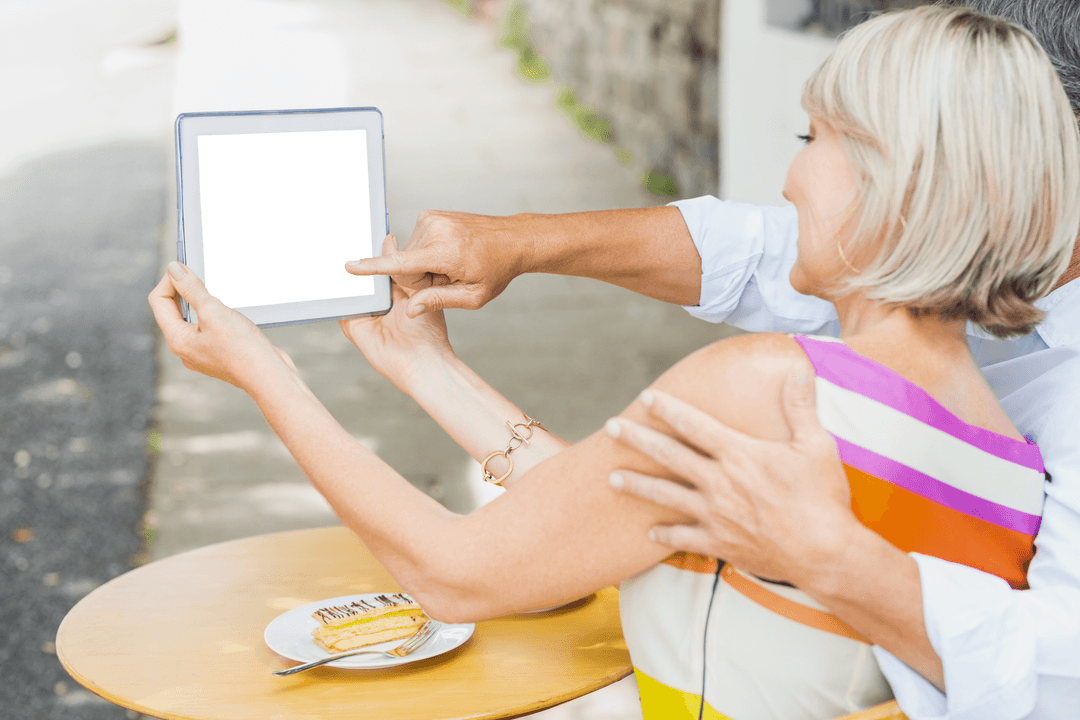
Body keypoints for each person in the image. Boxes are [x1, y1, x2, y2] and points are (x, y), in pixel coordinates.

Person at [150, 6, 1079, 720]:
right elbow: (621, 526)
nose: (789, 175)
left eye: (813, 140)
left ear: (896, 186)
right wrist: (423, 368)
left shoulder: (768, 385)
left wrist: (264, 372)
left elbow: (455, 571)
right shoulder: (1008, 457)